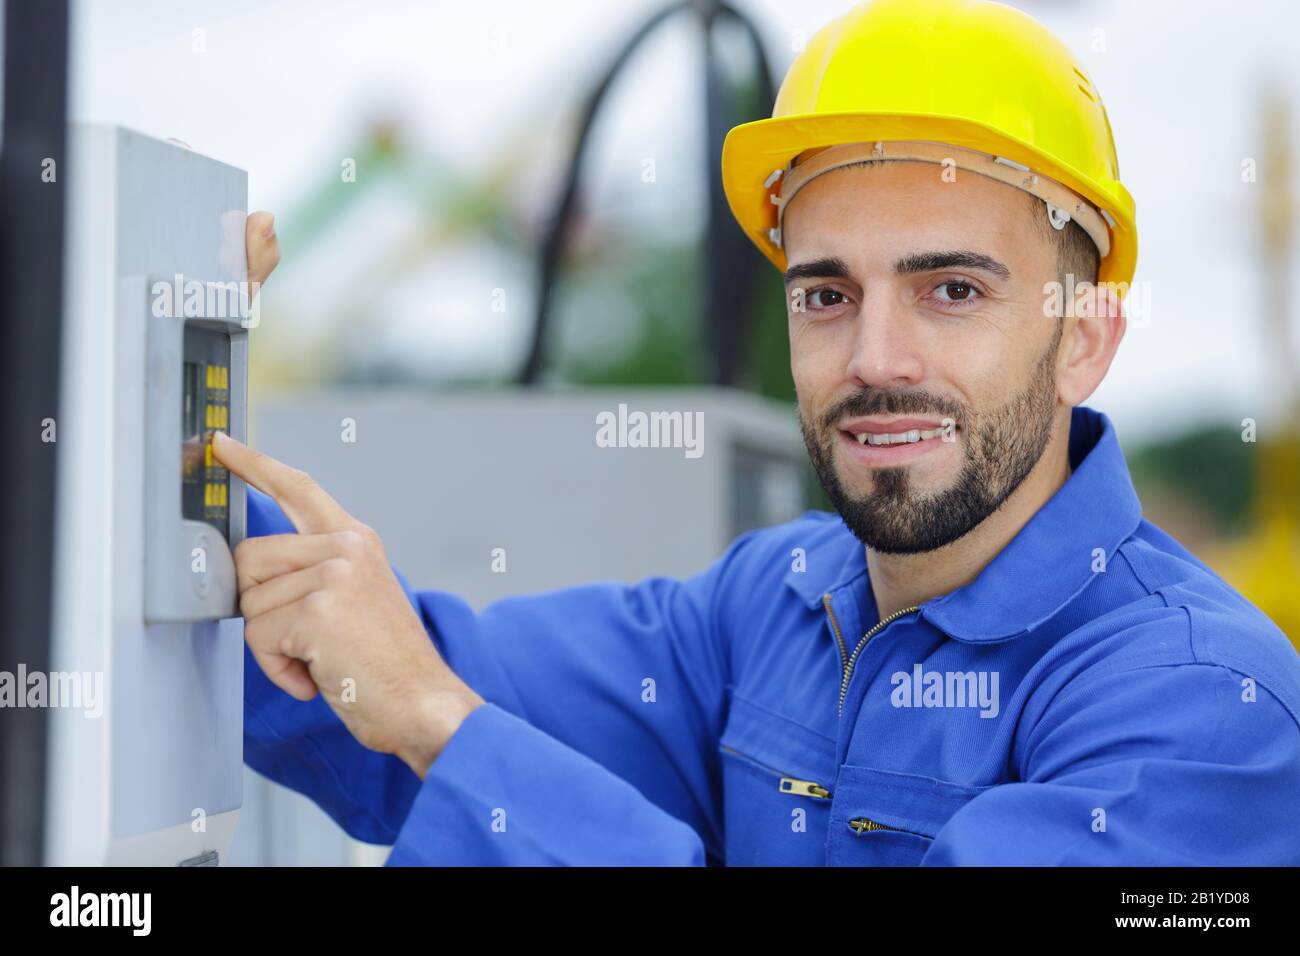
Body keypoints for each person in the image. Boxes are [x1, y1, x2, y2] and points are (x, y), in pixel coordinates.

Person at [218, 0, 1300, 865]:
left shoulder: (1202, 710)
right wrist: (166, 411)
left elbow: (441, 714)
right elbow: (392, 680)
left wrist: (442, 724)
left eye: (953, 290)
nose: (875, 357)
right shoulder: (772, 607)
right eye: (826, 295)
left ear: (1085, 339)